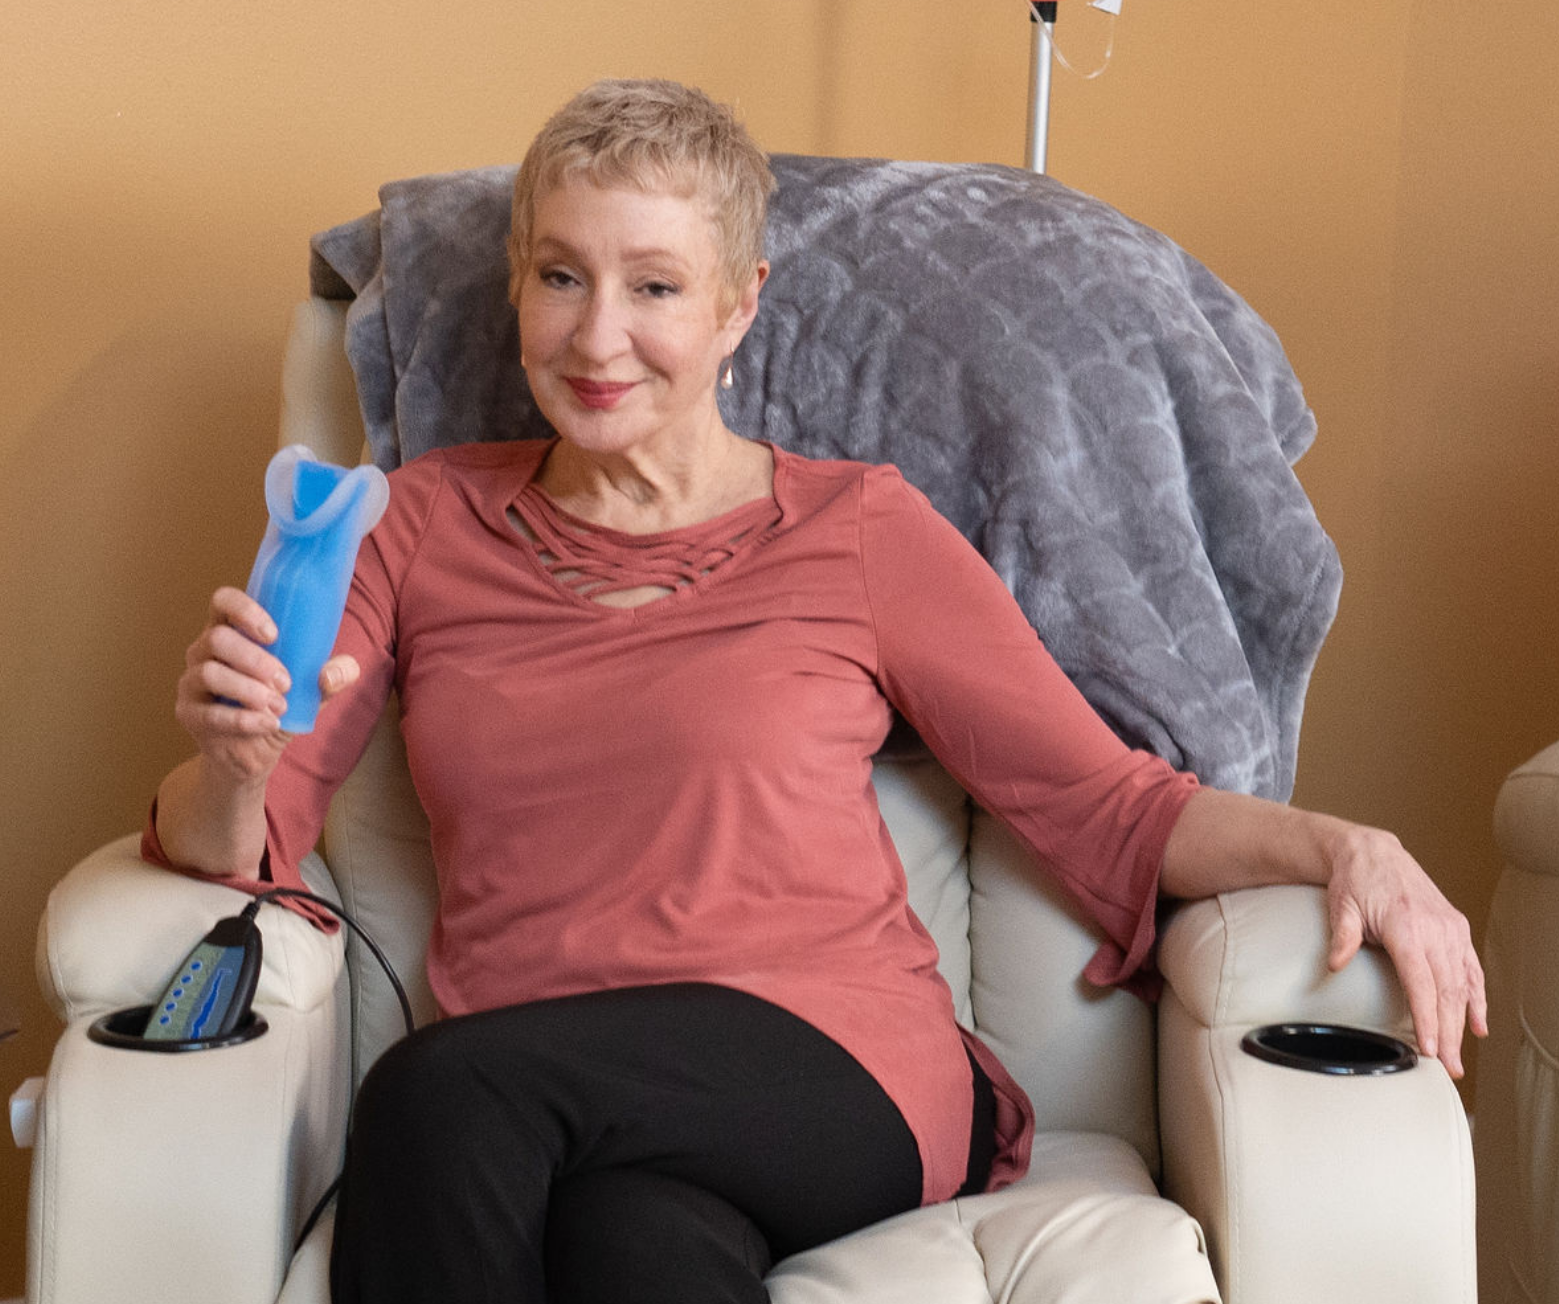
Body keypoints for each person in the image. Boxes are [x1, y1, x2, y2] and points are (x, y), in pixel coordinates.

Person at [149, 78, 1485, 1304]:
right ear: (516, 288)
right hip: (565, 1093)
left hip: (832, 1063)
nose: (599, 334)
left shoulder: (858, 530)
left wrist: (1347, 845)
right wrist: (236, 756)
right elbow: (236, 846)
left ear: (740, 304)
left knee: (433, 1098)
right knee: (633, 1252)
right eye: (561, 276)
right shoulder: (413, 523)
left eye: (656, 287)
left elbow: (1107, 806)